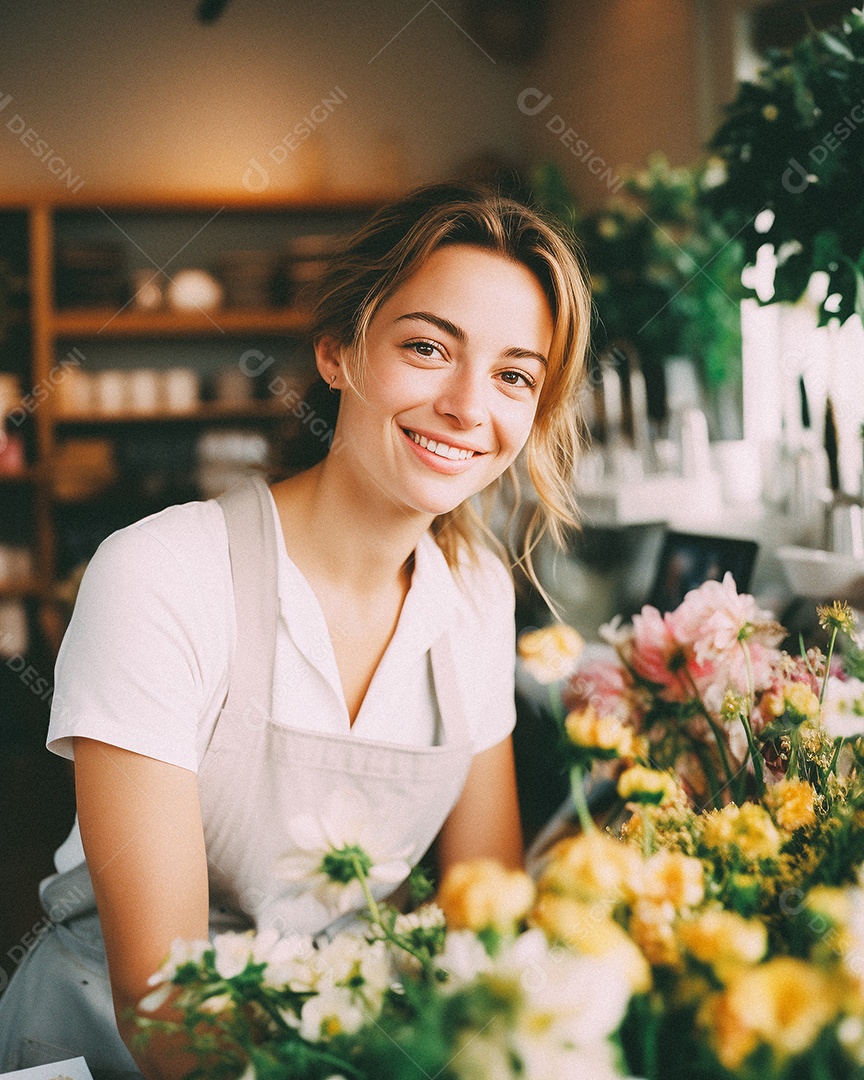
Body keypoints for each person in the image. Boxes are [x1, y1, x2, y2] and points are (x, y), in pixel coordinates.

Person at [0, 179, 591, 1078]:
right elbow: (168, 1014)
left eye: (514, 374)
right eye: (428, 348)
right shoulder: (162, 576)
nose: (470, 406)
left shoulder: (474, 593)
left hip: (342, 1045)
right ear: (338, 352)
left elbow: (485, 917)